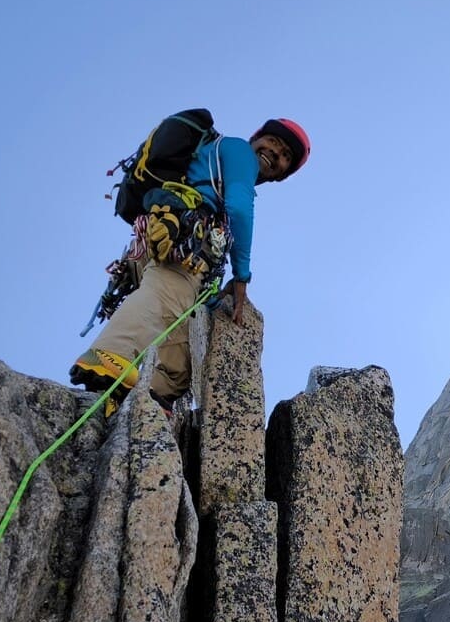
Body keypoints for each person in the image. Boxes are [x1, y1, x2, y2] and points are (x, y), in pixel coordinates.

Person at [69, 117, 310, 410]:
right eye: (274, 141)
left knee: (183, 350)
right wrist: (242, 276)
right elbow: (239, 208)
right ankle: (109, 354)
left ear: (281, 174)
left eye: (286, 156)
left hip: (164, 238)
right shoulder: (238, 152)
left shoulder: (218, 168)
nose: (276, 153)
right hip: (182, 240)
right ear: (256, 137)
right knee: (166, 297)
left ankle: (147, 397)